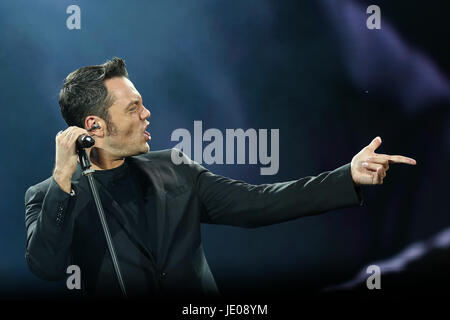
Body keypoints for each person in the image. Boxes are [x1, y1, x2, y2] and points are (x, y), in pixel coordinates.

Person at [24, 57, 417, 299]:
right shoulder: (50, 196)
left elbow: (261, 202)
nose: (147, 115)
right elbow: (46, 266)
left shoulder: (174, 168)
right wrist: (62, 177)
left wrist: (346, 176)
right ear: (95, 125)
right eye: (134, 108)